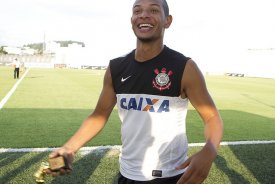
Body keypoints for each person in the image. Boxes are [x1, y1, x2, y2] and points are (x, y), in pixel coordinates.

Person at [47, 0, 224, 183]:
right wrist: (70, 148)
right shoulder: (116, 67)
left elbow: (211, 117)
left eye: (154, 10)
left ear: (167, 21)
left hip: (170, 176)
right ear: (132, 19)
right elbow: (99, 114)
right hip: (127, 174)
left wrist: (210, 149)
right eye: (137, 10)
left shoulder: (184, 67)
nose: (143, 15)